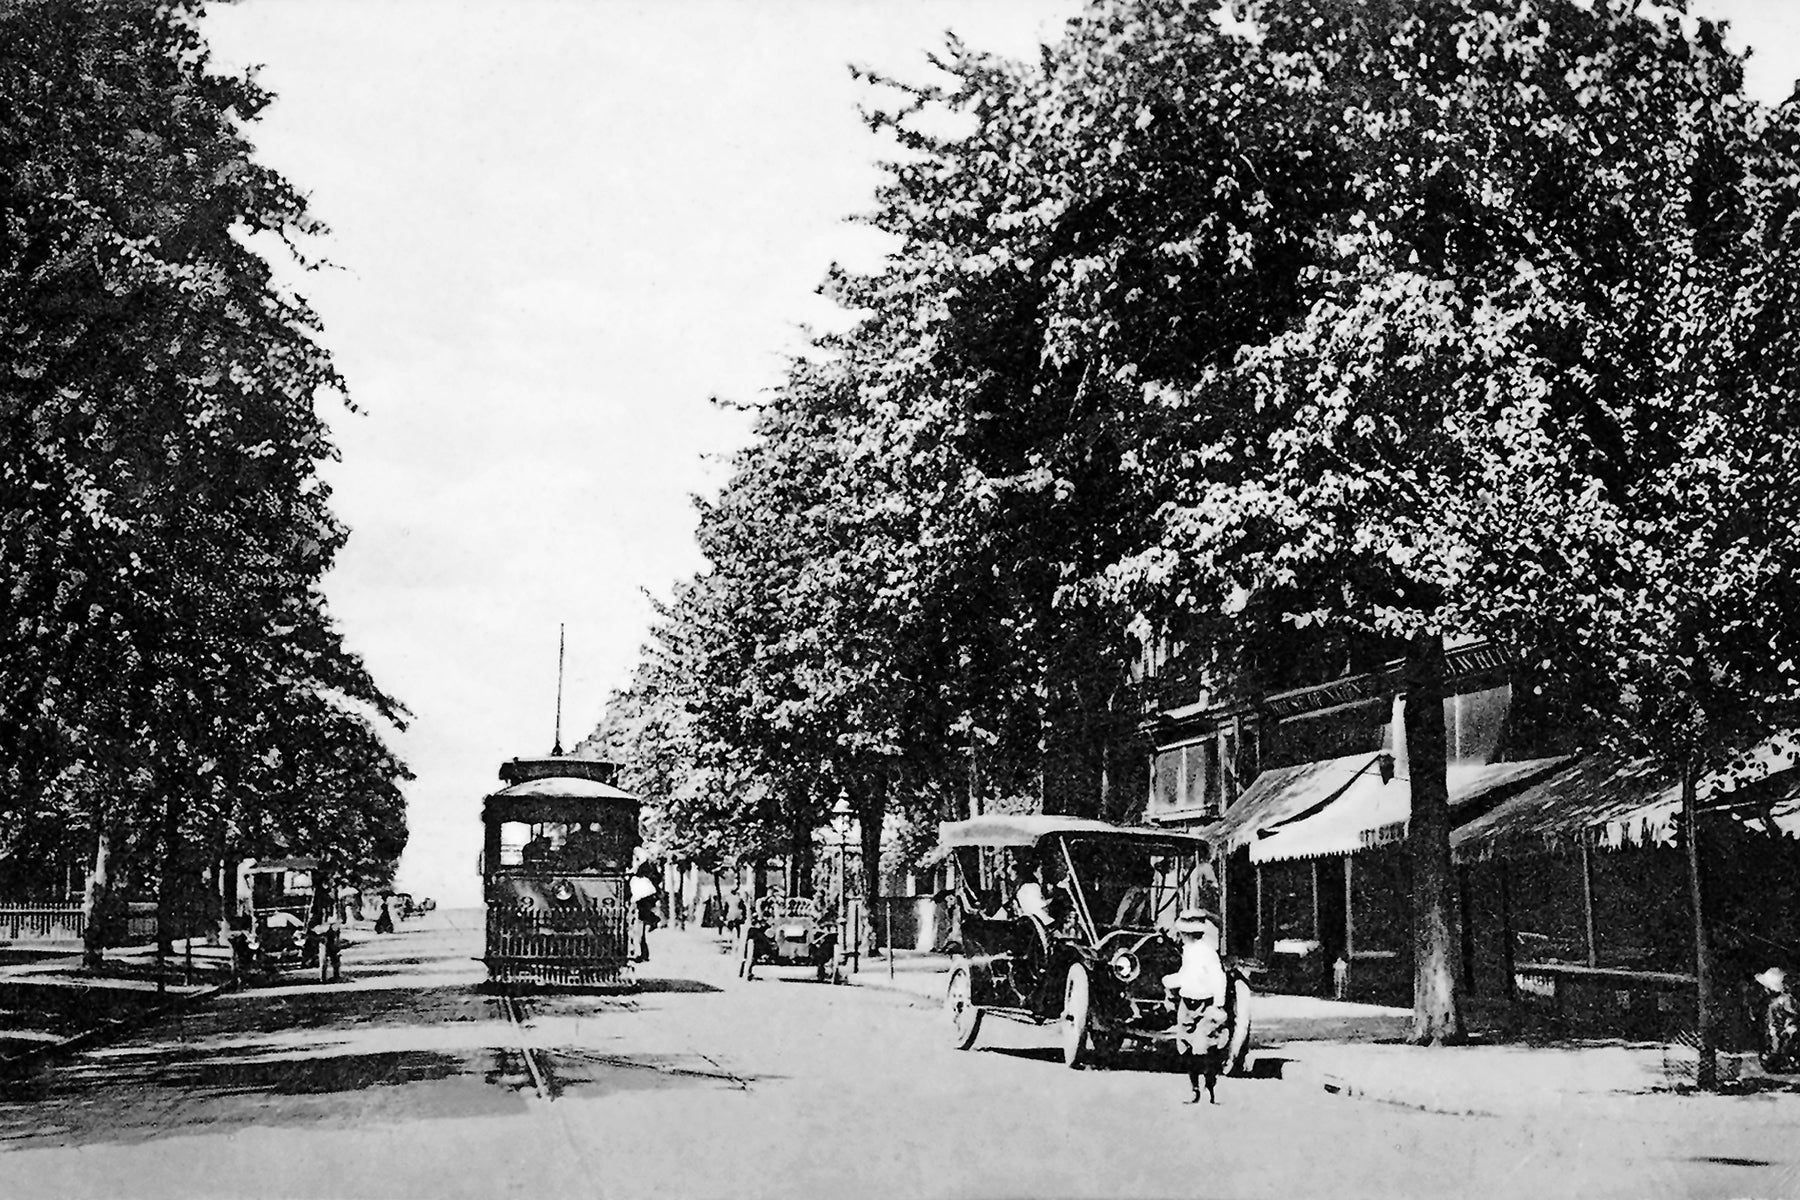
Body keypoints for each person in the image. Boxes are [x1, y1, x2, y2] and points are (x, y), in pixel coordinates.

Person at [1163, 909, 1231, 1105]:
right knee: (1185, 1045)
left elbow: (1219, 978)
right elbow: (1185, 976)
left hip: (1204, 1004)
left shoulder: (1208, 953)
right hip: (1187, 1003)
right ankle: (1195, 1089)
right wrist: (1170, 982)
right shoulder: (1188, 952)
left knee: (1202, 1048)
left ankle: (1209, 1087)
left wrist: (1218, 1004)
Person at [1756, 967, 1799, 1073]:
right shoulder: (1787, 1000)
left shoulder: (1779, 1003)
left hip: (1783, 1033)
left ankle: (1782, 1059)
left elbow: (1789, 1018)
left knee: (1779, 1044)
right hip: (1784, 1032)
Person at [630, 865, 660, 963]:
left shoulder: (635, 880)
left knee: (639, 933)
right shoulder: (644, 881)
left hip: (639, 907)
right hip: (643, 907)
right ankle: (642, 953)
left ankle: (640, 953)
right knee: (640, 934)